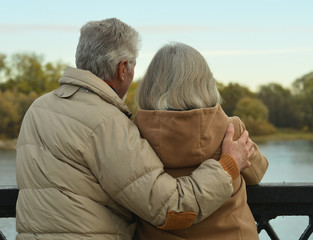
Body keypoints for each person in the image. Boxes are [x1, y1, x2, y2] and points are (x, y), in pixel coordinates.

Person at [15, 18, 255, 240]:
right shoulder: (109, 123)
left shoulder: (38, 108)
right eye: (132, 67)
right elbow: (169, 209)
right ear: (122, 69)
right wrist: (227, 167)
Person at [133, 42, 269, 240]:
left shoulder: (133, 134)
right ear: (204, 83)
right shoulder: (230, 130)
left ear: (150, 85)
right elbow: (257, 172)